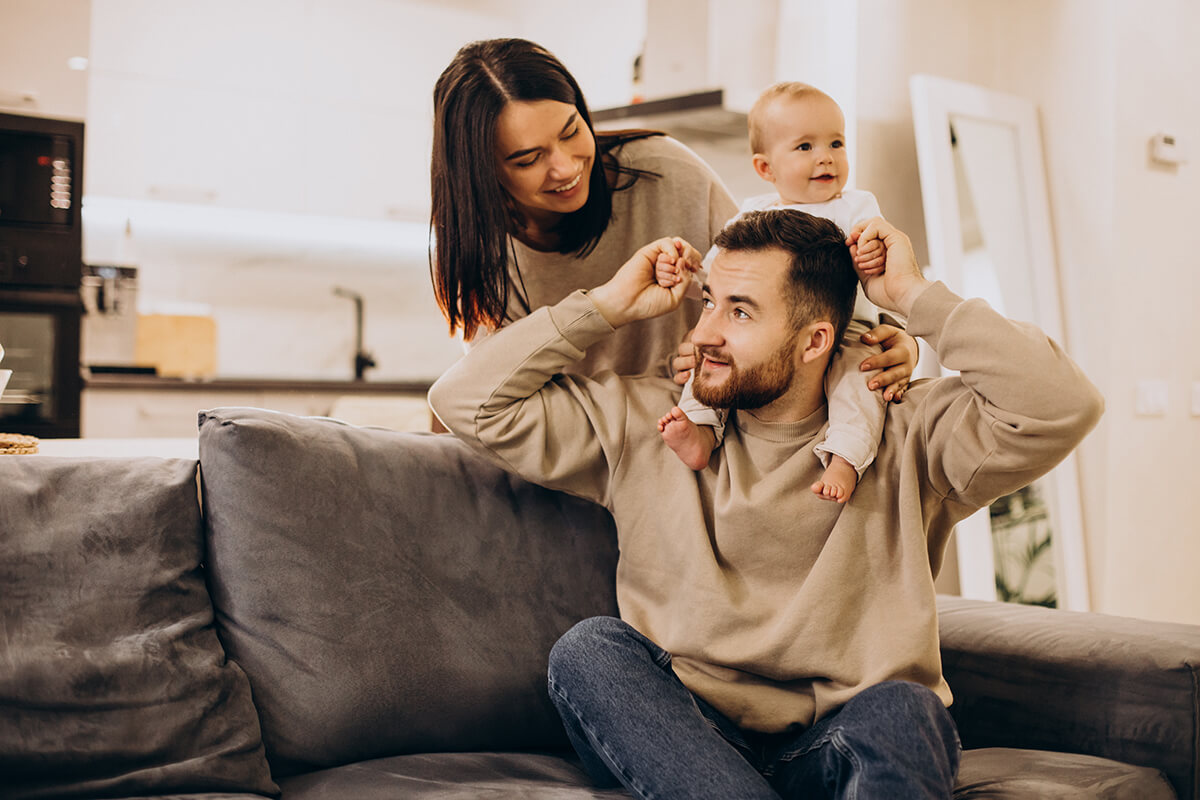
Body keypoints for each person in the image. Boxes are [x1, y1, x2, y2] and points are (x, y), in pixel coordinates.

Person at [428, 209, 1103, 799]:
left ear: (815, 341)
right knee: (590, 652)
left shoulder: (908, 435)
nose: (705, 332)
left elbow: (1063, 405)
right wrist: (602, 306)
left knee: (905, 710)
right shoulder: (648, 419)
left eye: (740, 311)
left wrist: (914, 297)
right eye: (708, 301)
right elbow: (465, 402)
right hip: (677, 734)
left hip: (837, 739)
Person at [429, 38, 918, 389]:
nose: (565, 166)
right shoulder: (477, 254)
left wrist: (901, 339)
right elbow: (482, 392)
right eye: (527, 158)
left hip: (694, 446)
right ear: (482, 172)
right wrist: (603, 307)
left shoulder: (664, 171)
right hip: (570, 472)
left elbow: (787, 290)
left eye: (571, 129)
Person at [655, 82, 889, 503]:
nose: (826, 156)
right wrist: (685, 274)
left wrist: (873, 253)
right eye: (804, 147)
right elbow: (716, 282)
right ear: (766, 168)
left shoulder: (857, 206)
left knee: (860, 382)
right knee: (708, 360)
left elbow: (886, 273)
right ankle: (701, 428)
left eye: (836, 142)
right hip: (768, 339)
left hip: (850, 328)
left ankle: (846, 455)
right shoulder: (755, 213)